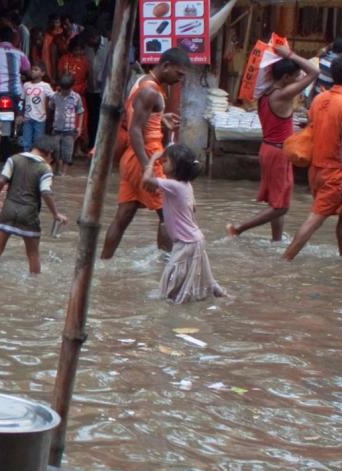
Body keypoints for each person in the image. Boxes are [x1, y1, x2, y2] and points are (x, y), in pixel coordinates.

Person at [101, 48, 191, 260]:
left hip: (134, 158)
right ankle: (166, 267)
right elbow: (134, 129)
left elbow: (136, 120)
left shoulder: (143, 83)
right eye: (178, 75)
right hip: (145, 157)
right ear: (166, 65)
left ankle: (103, 263)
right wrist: (148, 167)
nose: (179, 80)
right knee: (169, 215)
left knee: (123, 216)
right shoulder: (151, 91)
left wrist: (159, 118)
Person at [228, 44, 319, 241]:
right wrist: (291, 54)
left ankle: (276, 240)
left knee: (276, 200)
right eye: (295, 76)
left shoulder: (265, 93)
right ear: (286, 78)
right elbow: (314, 72)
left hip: (268, 149)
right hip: (278, 153)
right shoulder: (282, 95)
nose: (297, 79)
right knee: (281, 206)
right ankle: (239, 228)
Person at [283, 56, 342, 261]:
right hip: (335, 174)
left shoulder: (320, 99)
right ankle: (285, 259)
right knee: (314, 220)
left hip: (317, 170)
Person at [0, 138, 66, 275]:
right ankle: (34, 286)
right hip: (29, 215)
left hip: (8, 212)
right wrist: (56, 214)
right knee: (33, 254)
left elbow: (0, 181)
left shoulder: (13, 159)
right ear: (49, 153)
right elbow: (46, 192)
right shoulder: (45, 169)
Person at [147, 144, 227, 303]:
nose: (162, 163)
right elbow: (193, 208)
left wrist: (152, 160)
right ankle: (218, 292)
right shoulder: (185, 186)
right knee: (201, 271)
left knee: (171, 274)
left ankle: (172, 301)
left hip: (186, 241)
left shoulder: (173, 185)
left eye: (166, 161)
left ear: (177, 167)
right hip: (194, 239)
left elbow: (146, 179)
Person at [48, 72, 85, 173]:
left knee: (67, 154)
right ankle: (57, 171)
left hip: (69, 131)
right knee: (56, 152)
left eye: (66, 89)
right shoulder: (55, 96)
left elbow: (81, 112)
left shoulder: (76, 97)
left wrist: (79, 127)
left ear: (71, 87)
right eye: (63, 89)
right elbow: (50, 108)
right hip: (56, 129)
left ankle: (63, 174)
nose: (64, 91)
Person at [0, 27, 30, 102]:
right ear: (12, 39)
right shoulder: (20, 53)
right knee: (20, 112)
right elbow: (27, 69)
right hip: (17, 91)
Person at [20, 66, 52, 151]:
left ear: (42, 73)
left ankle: (36, 161)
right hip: (27, 118)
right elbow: (22, 100)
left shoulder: (45, 85)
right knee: (26, 143)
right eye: (32, 69)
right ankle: (26, 161)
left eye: (36, 70)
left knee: (38, 143)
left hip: (40, 119)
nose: (32, 71)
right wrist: (20, 114)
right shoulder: (26, 85)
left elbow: (53, 98)